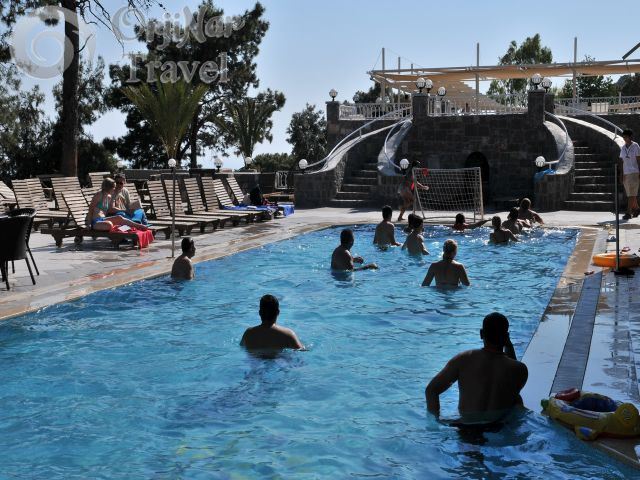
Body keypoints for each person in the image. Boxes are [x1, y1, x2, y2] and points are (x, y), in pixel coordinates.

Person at [425, 312, 528, 424]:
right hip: (498, 427)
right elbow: (513, 385)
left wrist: (435, 423)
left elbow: (431, 390)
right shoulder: (520, 369)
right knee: (517, 400)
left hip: (465, 427)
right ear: (506, 337)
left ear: (481, 334)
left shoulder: (463, 359)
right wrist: (508, 345)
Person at [619, 129, 640, 219]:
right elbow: (621, 161)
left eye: (626, 137)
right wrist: (621, 174)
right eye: (623, 137)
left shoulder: (636, 146)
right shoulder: (623, 148)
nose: (624, 138)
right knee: (631, 194)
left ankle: (628, 212)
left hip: (634, 172)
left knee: (631, 194)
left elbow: (639, 160)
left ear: (630, 137)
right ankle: (637, 209)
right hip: (626, 173)